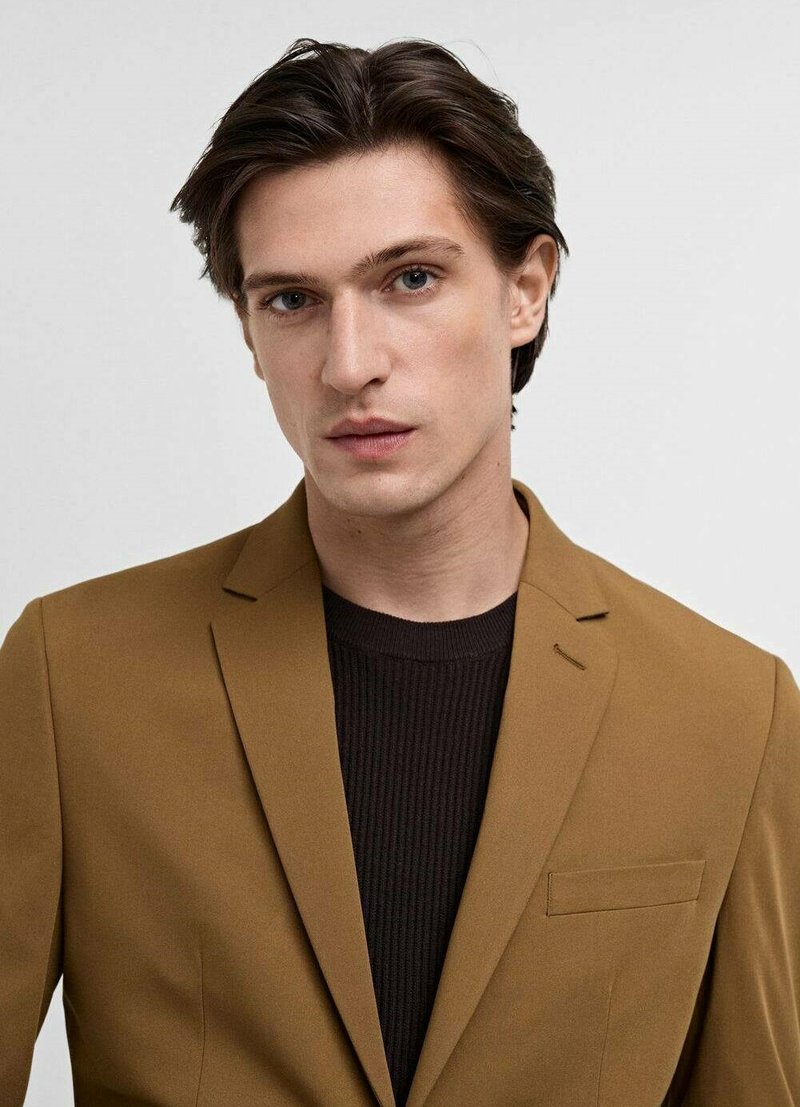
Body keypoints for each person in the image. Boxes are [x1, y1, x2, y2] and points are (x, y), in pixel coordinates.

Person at [1, 35, 797, 1107]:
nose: (348, 363)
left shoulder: (729, 712)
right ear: (247, 329)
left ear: (525, 290)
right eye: (291, 300)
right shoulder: (73, 676)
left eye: (409, 279)